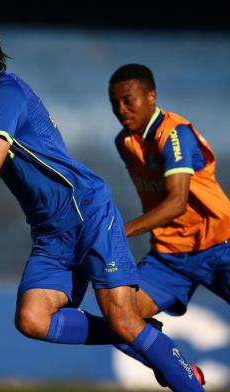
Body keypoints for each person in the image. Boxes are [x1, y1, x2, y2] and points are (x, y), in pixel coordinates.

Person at [0, 17, 204, 391]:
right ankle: (142, 338)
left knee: (123, 320)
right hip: (50, 230)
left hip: (85, 212)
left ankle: (180, 375)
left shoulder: (8, 92)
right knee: (33, 319)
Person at [108, 63, 230, 384]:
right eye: (114, 103)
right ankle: (183, 373)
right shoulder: (125, 142)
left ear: (151, 96)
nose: (121, 110)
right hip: (170, 256)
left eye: (129, 100)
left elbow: (176, 203)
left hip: (219, 244)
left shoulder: (176, 133)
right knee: (120, 317)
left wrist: (119, 232)